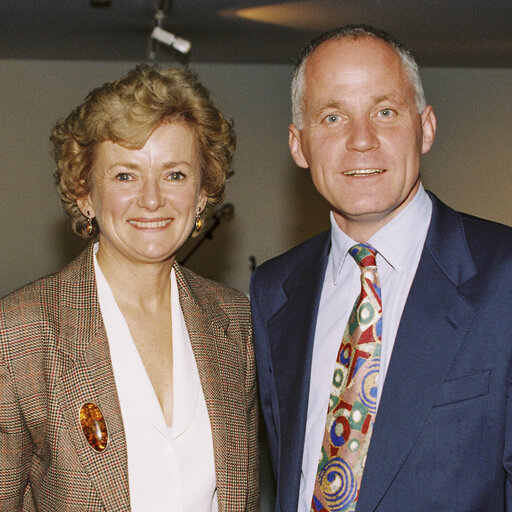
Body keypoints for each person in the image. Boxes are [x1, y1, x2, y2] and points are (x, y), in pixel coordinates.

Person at [251, 24, 512, 512]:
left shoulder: (504, 277)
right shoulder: (273, 291)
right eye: (332, 117)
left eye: (385, 112)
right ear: (298, 144)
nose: (361, 140)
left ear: (426, 127)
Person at [0, 64, 258, 512]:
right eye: (125, 175)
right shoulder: (20, 332)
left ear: (202, 193)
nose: (153, 198)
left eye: (175, 174)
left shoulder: (235, 321)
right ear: (84, 194)